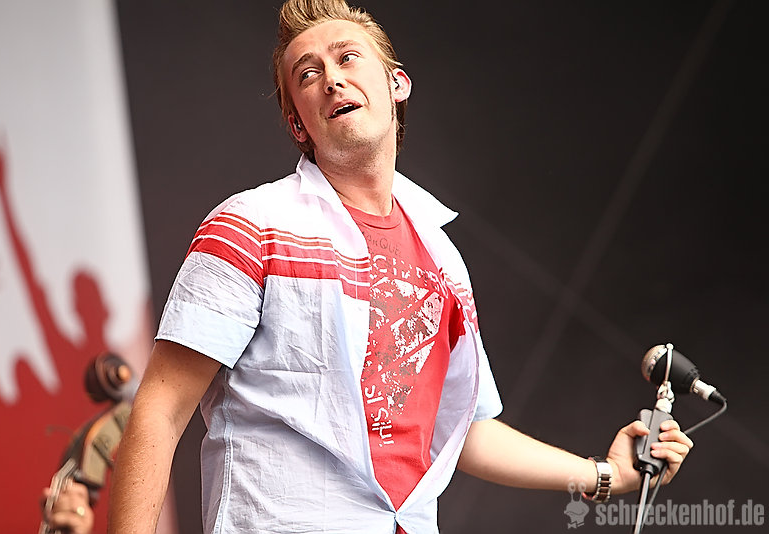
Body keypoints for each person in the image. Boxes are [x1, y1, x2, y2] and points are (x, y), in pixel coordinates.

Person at [109, 1, 694, 532]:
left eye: (347, 57)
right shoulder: (252, 223)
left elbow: (459, 429)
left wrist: (603, 475)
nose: (331, 78)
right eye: (307, 75)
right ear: (298, 124)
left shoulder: (443, 261)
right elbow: (161, 409)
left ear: (397, 84)